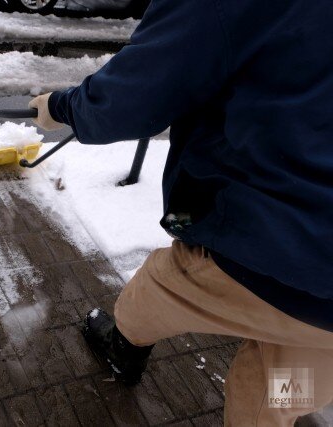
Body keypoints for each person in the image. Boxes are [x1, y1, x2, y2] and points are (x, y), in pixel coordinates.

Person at [29, 1, 333, 425]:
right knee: (280, 385)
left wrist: (62, 108)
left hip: (278, 242)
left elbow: (132, 96)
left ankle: (124, 347)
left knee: (159, 286)